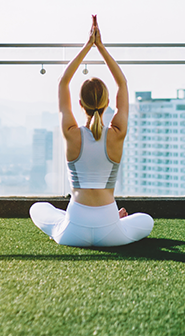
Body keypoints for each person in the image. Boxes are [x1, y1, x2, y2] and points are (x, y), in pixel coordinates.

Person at [29, 15, 154, 247]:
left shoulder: (71, 133)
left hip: (72, 232)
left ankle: (62, 224)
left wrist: (88, 46)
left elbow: (63, 82)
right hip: (111, 232)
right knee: (146, 220)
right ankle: (115, 221)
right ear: (108, 104)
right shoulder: (117, 133)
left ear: (80, 104)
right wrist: (101, 47)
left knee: (37, 208)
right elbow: (122, 84)